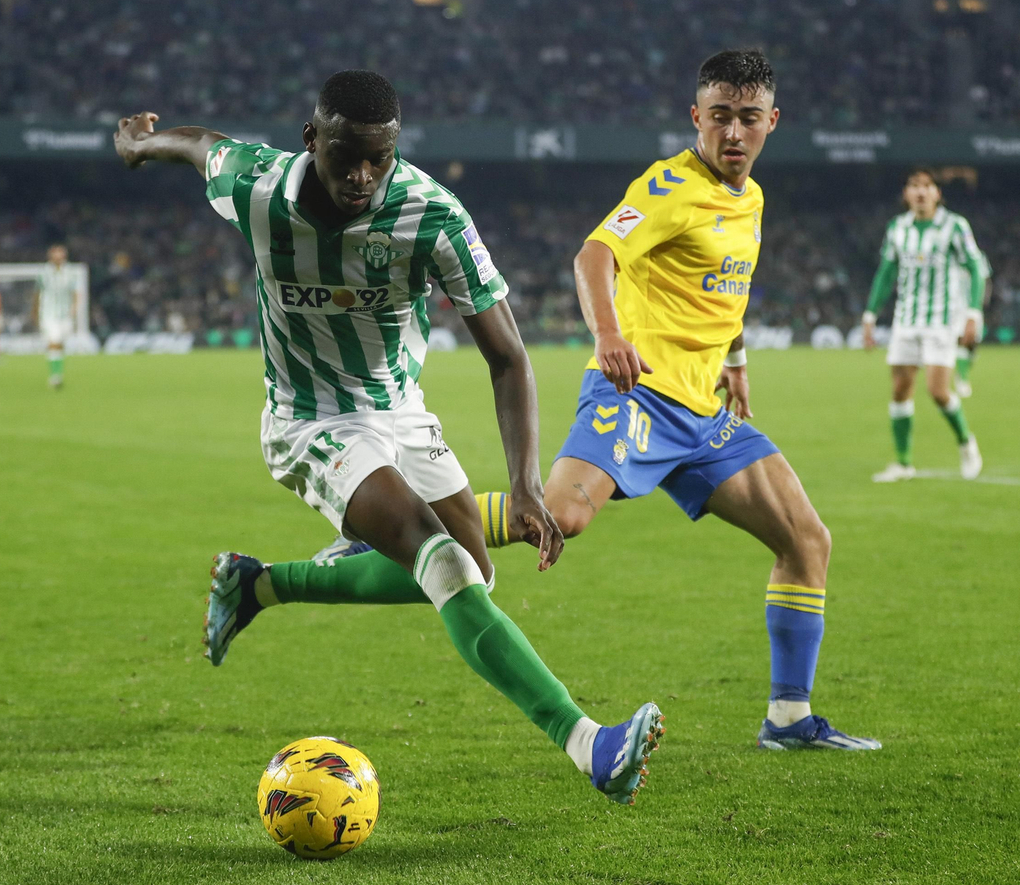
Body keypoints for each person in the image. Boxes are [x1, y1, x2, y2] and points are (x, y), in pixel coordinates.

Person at [113, 69, 664, 804]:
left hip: (399, 411)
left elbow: (508, 357)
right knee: (440, 562)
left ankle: (259, 584)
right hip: (308, 419)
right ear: (312, 140)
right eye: (347, 156)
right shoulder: (259, 187)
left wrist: (527, 483)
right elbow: (203, 146)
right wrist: (145, 144)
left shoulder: (429, 214)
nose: (363, 176)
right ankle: (588, 743)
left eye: (380, 157)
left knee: (475, 568)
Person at [472, 49, 879, 751]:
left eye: (748, 119)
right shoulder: (668, 186)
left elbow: (725, 286)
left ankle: (788, 719)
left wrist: (738, 361)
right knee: (562, 514)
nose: (732, 134)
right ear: (697, 117)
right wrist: (606, 333)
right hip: (637, 393)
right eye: (719, 117)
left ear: (772, 122)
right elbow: (594, 254)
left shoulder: (748, 198)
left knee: (806, 539)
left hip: (703, 413)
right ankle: (406, 521)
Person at [863, 168, 984, 483]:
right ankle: (903, 463)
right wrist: (870, 316)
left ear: (937, 194)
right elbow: (886, 273)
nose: (920, 192)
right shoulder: (897, 228)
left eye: (927, 186)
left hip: (940, 322)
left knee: (937, 390)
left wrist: (972, 312)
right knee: (901, 390)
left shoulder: (955, 226)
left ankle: (966, 442)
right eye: (914, 185)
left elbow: (975, 267)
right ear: (906, 194)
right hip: (906, 321)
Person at [35, 245, 78, 388]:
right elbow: (37, 294)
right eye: (55, 254)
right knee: (53, 342)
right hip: (48, 314)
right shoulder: (43, 273)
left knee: (60, 344)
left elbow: (75, 293)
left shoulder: (71, 273)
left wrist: (74, 309)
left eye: (60, 254)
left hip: (65, 315)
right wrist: (35, 312)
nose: (58, 257)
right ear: (51, 257)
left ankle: (57, 371)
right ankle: (55, 377)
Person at [952, 246, 991, 397]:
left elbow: (985, 279)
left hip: (973, 306)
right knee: (962, 340)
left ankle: (962, 370)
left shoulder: (979, 256)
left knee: (973, 345)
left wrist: (983, 299)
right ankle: (963, 380)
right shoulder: (950, 254)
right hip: (955, 307)